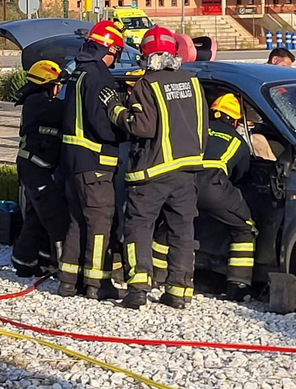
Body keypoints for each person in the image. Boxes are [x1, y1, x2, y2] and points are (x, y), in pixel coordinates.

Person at [108, 26, 208, 309]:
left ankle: (138, 289)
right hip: (187, 170)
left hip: (152, 172)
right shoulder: (192, 81)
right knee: (182, 230)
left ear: (148, 56)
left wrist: (116, 109)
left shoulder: (146, 84)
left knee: (138, 227)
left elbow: (141, 126)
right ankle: (179, 291)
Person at [53, 20, 126, 300]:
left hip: (71, 163)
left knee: (77, 221)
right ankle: (98, 284)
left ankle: (68, 282)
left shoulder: (77, 73)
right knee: (100, 222)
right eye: (115, 52)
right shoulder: (99, 76)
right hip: (94, 163)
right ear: (107, 49)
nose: (114, 59)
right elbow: (102, 123)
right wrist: (124, 127)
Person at [10, 60, 68, 278]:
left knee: (37, 215)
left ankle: (27, 259)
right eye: (58, 85)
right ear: (48, 83)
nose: (59, 89)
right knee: (56, 217)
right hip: (34, 168)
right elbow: (62, 111)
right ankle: (63, 268)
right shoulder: (37, 102)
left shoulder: (38, 100)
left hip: (36, 167)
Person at [199, 94, 257, 300]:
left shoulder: (194, 130)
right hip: (215, 189)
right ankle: (238, 286)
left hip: (182, 186)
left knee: (169, 226)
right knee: (244, 228)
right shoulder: (238, 141)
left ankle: (160, 278)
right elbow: (241, 174)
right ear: (234, 120)